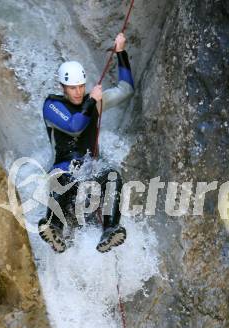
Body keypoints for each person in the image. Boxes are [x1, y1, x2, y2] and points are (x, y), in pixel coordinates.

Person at [38, 32, 134, 253]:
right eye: (73, 88)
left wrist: (121, 53)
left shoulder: (93, 103)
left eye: (81, 86)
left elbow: (126, 90)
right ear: (63, 87)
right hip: (64, 175)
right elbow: (75, 125)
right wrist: (92, 100)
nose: (79, 92)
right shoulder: (52, 106)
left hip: (89, 176)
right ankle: (53, 226)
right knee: (60, 178)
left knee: (113, 176)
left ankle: (110, 230)